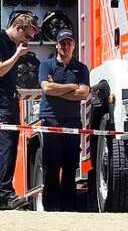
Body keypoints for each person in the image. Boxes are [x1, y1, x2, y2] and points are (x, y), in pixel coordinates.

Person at [0, 11, 38, 208]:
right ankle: (4, 193)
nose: (28, 41)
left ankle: (6, 193)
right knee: (6, 145)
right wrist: (17, 54)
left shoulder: (14, 44)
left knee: (12, 144)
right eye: (27, 36)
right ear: (18, 28)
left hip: (9, 99)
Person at [38, 29, 90, 211]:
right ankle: (51, 206)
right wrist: (71, 87)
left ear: (74, 45)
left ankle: (69, 207)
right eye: (62, 43)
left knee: (70, 165)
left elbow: (83, 93)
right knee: (51, 166)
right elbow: (47, 89)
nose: (66, 46)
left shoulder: (81, 68)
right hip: (50, 120)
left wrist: (58, 91)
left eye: (69, 43)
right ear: (57, 45)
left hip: (72, 121)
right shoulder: (46, 65)